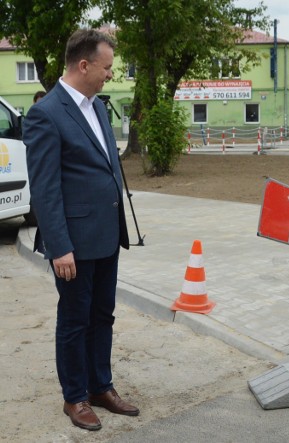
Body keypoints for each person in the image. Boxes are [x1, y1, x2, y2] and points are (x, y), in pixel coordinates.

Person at [23, 29, 138, 432]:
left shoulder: (99, 107)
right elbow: (45, 187)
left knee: (102, 315)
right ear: (84, 65)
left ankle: (100, 386)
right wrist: (59, 247)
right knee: (74, 320)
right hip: (72, 243)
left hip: (107, 236)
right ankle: (75, 397)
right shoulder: (46, 113)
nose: (111, 74)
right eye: (106, 67)